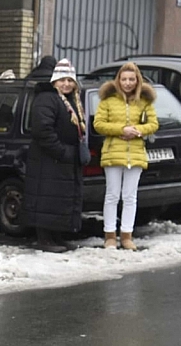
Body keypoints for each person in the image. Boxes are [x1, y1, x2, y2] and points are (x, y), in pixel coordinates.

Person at [20, 58, 87, 253]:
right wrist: (63, 151)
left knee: (58, 200)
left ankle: (56, 236)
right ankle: (44, 239)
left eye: (70, 80)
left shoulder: (71, 100)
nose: (66, 84)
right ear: (54, 81)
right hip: (48, 160)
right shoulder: (47, 99)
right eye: (62, 80)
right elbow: (43, 131)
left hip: (62, 162)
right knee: (46, 199)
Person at [92, 62, 159, 251]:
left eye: (131, 79)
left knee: (130, 196)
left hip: (135, 154)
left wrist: (137, 130)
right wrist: (121, 130)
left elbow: (153, 124)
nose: (127, 83)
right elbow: (98, 124)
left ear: (137, 80)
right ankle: (110, 236)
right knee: (112, 195)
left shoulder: (144, 101)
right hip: (113, 153)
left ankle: (127, 235)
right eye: (124, 79)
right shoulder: (108, 100)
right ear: (118, 80)